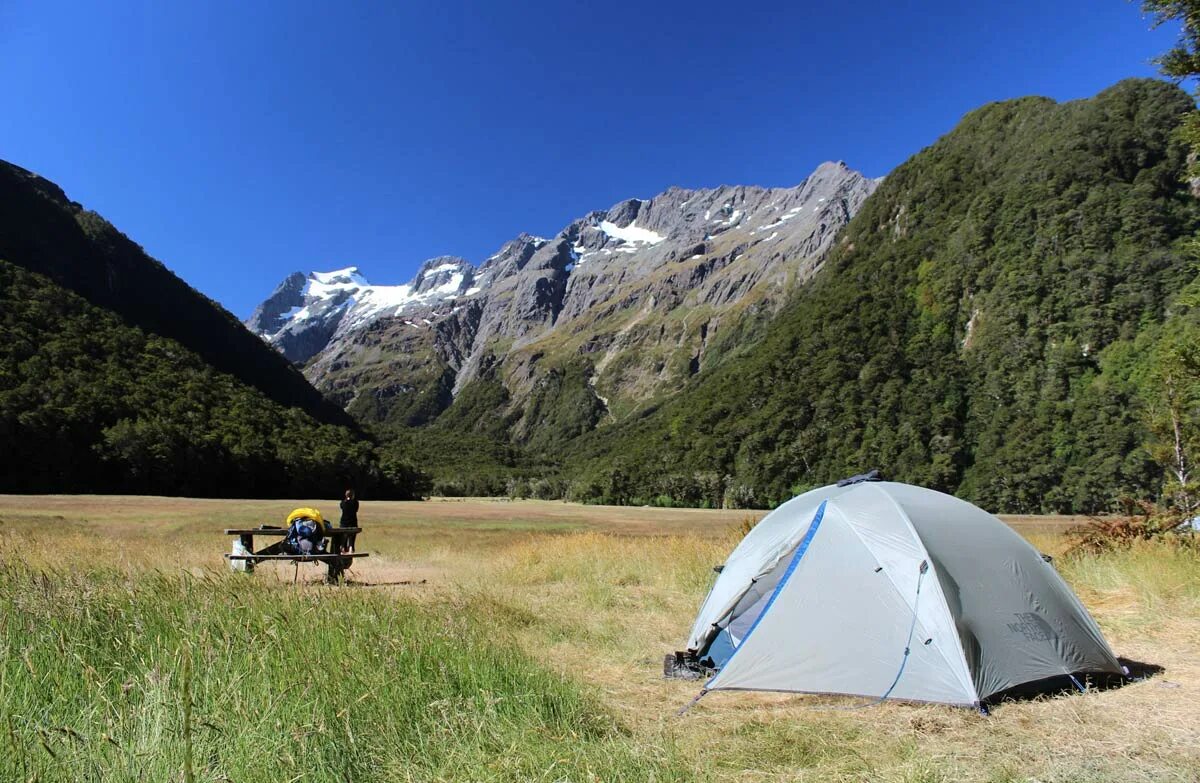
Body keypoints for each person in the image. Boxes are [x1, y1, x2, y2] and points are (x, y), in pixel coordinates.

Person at [339, 489, 359, 553]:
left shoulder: (343, 502)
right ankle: (351, 548)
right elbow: (356, 510)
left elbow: (342, 507)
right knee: (352, 537)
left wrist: (347, 499)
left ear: (346, 495)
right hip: (353, 523)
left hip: (344, 523)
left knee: (344, 536)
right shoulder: (355, 503)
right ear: (353, 495)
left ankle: (343, 548)